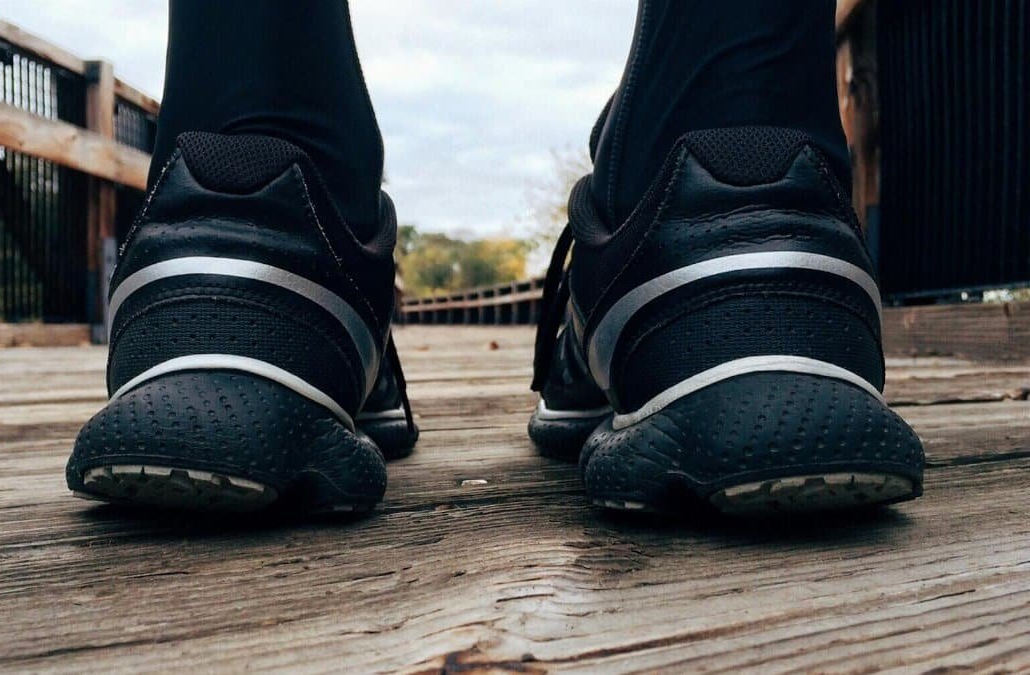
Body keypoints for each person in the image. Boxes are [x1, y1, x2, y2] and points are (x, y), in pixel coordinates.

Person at [65, 0, 925, 517]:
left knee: (254, 130)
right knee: (722, 89)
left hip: (185, 282)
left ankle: (232, 236)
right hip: (807, 285)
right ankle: (766, 230)